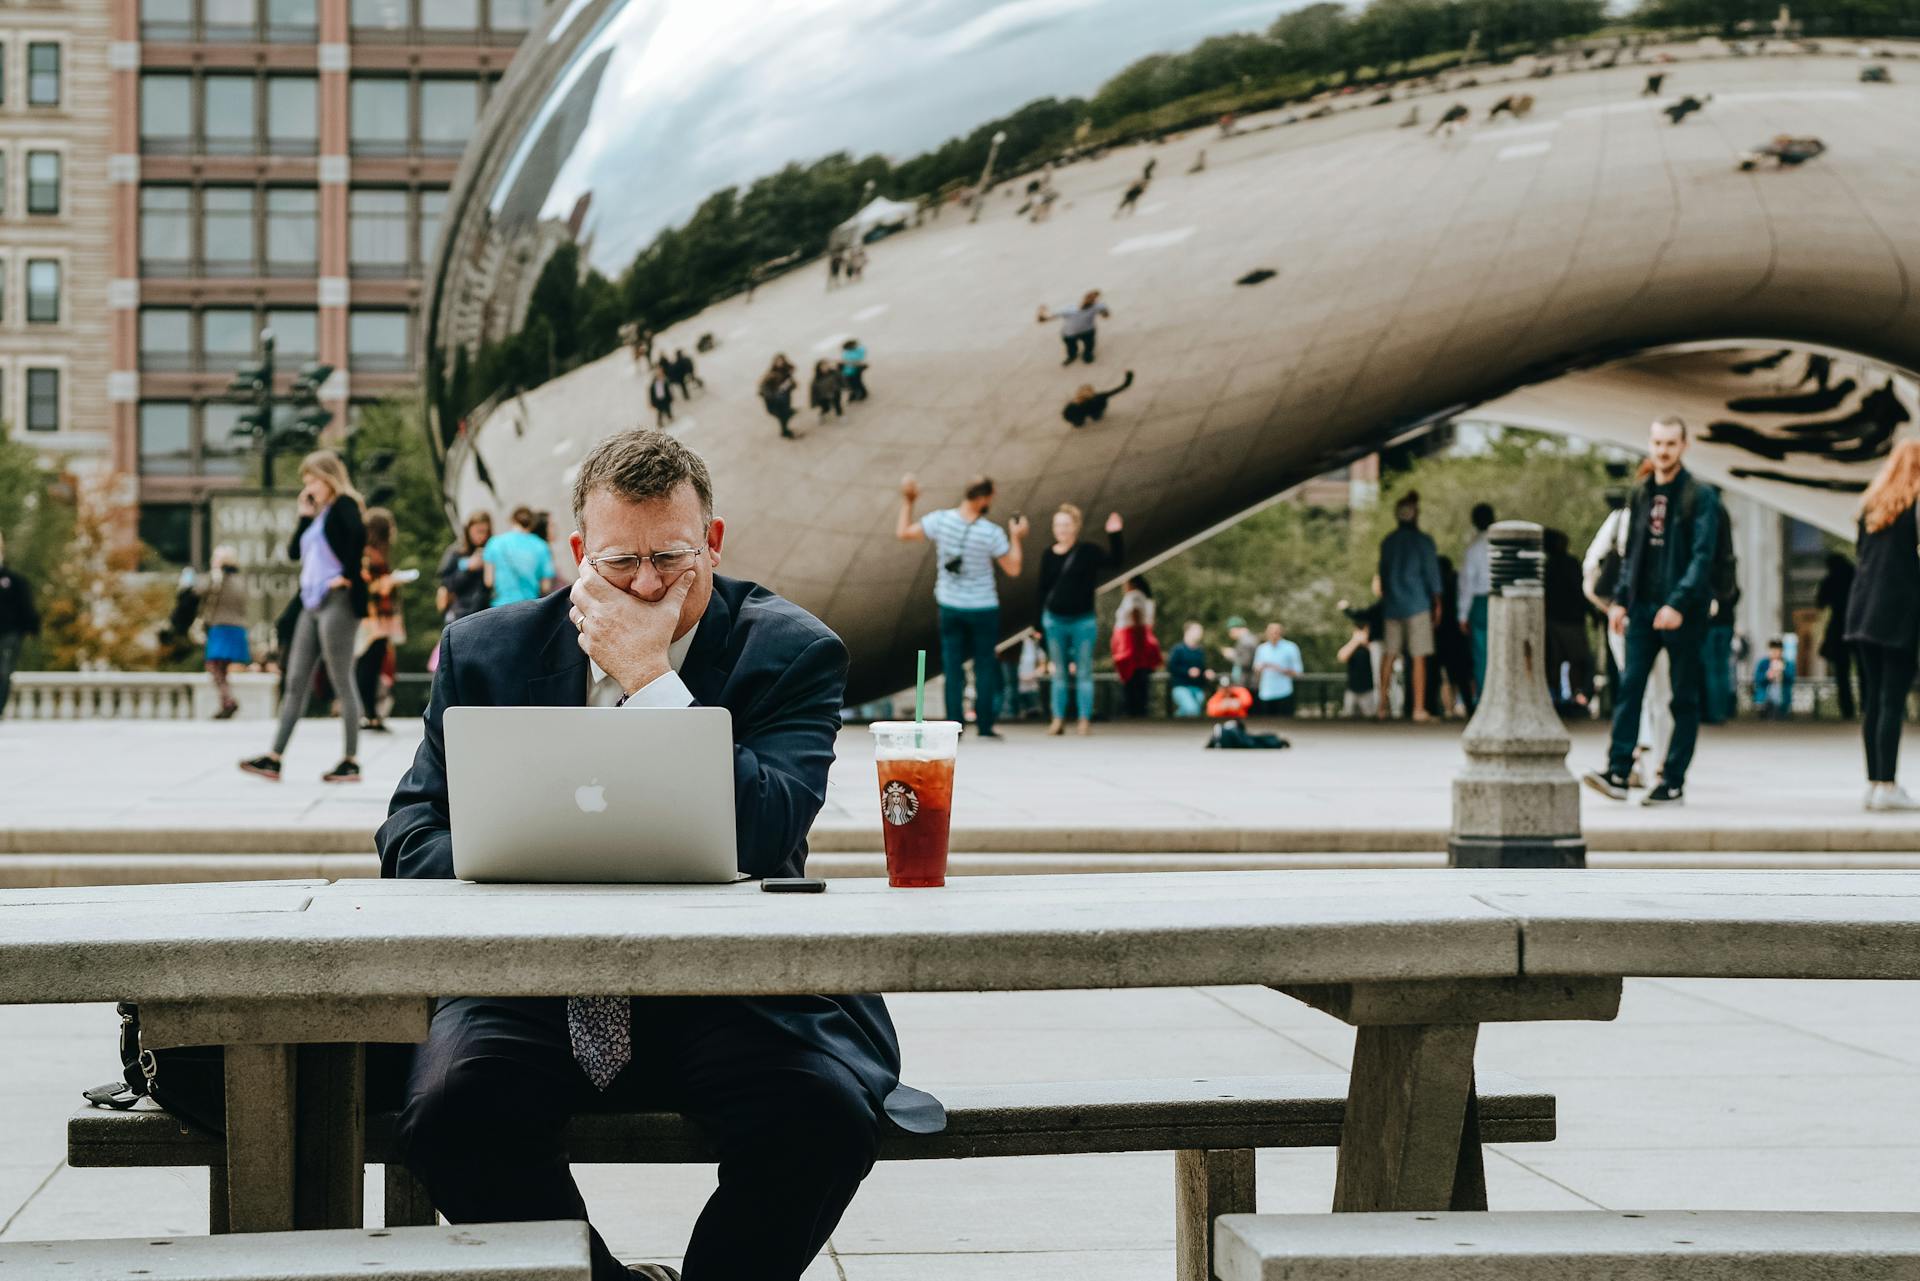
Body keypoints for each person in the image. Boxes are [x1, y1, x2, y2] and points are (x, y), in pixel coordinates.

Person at [380, 430, 939, 1281]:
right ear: (577, 555)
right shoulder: (485, 651)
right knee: (449, 1109)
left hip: (728, 984)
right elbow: (411, 831)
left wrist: (651, 680)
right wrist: (517, 857)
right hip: (534, 984)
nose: (646, 584)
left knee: (821, 1113)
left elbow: (771, 827)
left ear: (712, 541)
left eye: (671, 558)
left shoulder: (790, 650)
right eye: (619, 563)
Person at [1584, 417, 1721, 807]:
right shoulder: (1641, 492)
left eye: (1671, 444)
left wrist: (1677, 604)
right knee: (1630, 689)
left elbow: (1701, 558)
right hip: (1642, 608)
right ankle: (1618, 770)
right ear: (1650, 444)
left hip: (1683, 611)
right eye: (1658, 443)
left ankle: (1672, 779)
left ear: (1683, 446)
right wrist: (1621, 602)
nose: (1663, 451)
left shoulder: (1699, 496)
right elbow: (1633, 555)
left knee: (1682, 698)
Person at [240, 450, 367, 784]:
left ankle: (351, 760)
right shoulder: (319, 513)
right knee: (295, 681)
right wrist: (304, 515)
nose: (309, 486)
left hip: (337, 601)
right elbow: (294, 552)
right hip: (311, 603)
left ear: (328, 479)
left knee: (342, 679)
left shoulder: (345, 506)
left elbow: (357, 539)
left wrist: (349, 576)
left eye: (313, 480)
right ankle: (274, 757)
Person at [896, 475, 1027, 739]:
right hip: (983, 607)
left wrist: (908, 501)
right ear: (982, 498)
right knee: (984, 666)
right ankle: (986, 726)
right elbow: (1013, 568)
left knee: (952, 667)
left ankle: (954, 727)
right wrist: (1017, 537)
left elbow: (903, 532)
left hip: (950, 605)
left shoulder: (941, 521)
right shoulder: (991, 532)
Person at [1845, 439, 1920, 810]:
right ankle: (1888, 784)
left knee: (1873, 702)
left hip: (1861, 613)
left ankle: (1874, 783)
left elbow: (1860, 553)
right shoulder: (1915, 507)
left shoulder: (1871, 507)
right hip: (1898, 614)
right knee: (1892, 700)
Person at [1036, 505, 1124, 735]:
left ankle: (1084, 719)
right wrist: (1038, 625)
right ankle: (1058, 719)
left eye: (1066, 524)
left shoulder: (1088, 552)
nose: (1062, 529)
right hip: (1054, 620)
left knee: (1084, 671)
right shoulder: (1048, 554)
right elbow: (1042, 590)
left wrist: (1114, 534)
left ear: (1075, 526)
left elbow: (1116, 561)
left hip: (1082, 620)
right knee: (1059, 672)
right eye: (1058, 525)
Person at [1375, 491, 1442, 722]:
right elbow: (1432, 575)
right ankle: (1418, 708)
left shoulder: (1388, 542)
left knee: (1389, 654)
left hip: (1392, 604)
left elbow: (1382, 575)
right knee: (1418, 657)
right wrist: (1437, 601)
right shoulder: (1423, 542)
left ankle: (1381, 706)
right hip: (1417, 604)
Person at [356, 508, 405, 734]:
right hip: (372, 617)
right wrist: (387, 583)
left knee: (375, 664)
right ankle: (368, 713)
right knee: (368, 664)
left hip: (382, 617)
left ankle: (372, 713)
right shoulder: (367, 554)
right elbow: (365, 586)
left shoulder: (380, 554)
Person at [195, 544, 250, 719]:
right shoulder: (240, 580)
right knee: (222, 668)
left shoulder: (217, 579)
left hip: (220, 627)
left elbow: (199, 591)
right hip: (237, 627)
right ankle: (225, 702)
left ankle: (228, 700)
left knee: (213, 665)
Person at [1543, 528, 1594, 713]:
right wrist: (1591, 612)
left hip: (1557, 620)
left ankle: (1565, 696)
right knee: (1578, 660)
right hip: (1569, 621)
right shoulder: (1567, 564)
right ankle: (1575, 695)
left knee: (1558, 661)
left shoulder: (1548, 567)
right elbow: (1579, 591)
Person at [1458, 502, 1495, 707]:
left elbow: (1467, 583)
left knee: (1482, 653)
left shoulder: (1474, 549)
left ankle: (1484, 697)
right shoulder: (1500, 544)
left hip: (1480, 602)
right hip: (1501, 600)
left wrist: (1462, 614)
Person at [484, 506, 557, 607]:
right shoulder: (541, 545)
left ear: (512, 520)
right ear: (532, 523)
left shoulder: (494, 542)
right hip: (530, 606)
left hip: (501, 607)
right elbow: (545, 586)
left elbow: (489, 581)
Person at [1111, 575, 1161, 717]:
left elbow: (1136, 615)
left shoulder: (1134, 596)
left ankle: (1132, 710)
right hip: (1136, 640)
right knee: (1139, 678)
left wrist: (1137, 641)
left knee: (1133, 678)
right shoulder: (1146, 598)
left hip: (1131, 641)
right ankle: (1137, 709)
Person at [0, 530, 38, 717]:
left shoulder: (14, 581)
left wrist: (31, 629)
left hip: (9, 634)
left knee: (3, 672)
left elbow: (26, 607)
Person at [1816, 552, 1856, 719]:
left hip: (1839, 627)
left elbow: (1820, 602)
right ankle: (1868, 705)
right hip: (1857, 624)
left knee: (1842, 672)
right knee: (1864, 670)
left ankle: (1847, 708)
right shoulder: (1855, 577)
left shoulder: (1831, 581)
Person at [437, 510, 494, 626]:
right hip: (461, 614)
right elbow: (446, 584)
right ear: (468, 530)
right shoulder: (456, 552)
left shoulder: (492, 550)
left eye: (486, 532)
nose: (482, 536)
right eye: (479, 531)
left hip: (486, 611)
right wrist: (468, 568)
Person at [1038, 291, 1109, 366]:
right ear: (1084, 299)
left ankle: (1085, 356)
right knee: (1073, 347)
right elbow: (1042, 319)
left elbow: (1106, 315)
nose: (1090, 301)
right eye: (1090, 299)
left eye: (1093, 300)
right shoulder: (1069, 309)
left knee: (1088, 345)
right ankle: (1074, 356)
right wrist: (1041, 311)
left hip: (1084, 332)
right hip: (1072, 334)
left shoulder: (1097, 306)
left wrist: (1104, 311)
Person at [1251, 621, 1303, 718]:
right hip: (1265, 694)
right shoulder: (1261, 649)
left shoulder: (1291, 647)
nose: (1273, 635)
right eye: (1271, 632)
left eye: (1276, 632)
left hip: (1284, 693)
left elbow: (1298, 672)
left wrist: (1280, 669)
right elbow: (1256, 669)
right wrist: (1260, 668)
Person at [1336, 607, 1378, 719]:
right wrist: (1355, 641)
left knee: (1371, 717)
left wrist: (1366, 643)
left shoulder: (1372, 647)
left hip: (1369, 690)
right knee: (1348, 717)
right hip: (1352, 689)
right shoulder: (1352, 647)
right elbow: (1341, 657)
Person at [1167, 623, 1213, 718]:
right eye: (1197, 631)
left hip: (1197, 688)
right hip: (1181, 687)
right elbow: (1171, 667)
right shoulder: (1178, 650)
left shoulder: (1200, 651)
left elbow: (1202, 669)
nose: (1200, 634)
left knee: (1191, 712)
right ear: (1187, 632)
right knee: (1191, 709)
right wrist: (1187, 671)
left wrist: (1206, 673)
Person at [1062, 372, 1135, 427]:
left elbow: (1066, 415)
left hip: (1093, 410)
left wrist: (1128, 380)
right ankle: (1093, 417)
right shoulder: (1098, 397)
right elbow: (1119, 389)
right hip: (1093, 410)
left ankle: (1091, 418)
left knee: (1092, 417)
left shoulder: (1074, 405)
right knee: (1094, 417)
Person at [1753, 638, 1795, 719]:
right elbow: (1757, 679)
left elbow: (1791, 679)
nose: (1775, 653)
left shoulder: (1788, 663)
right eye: (1773, 651)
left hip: (1782, 699)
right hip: (1765, 699)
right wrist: (1767, 675)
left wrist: (1782, 671)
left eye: (1777, 651)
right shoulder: (1763, 663)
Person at [760, 356, 799, 439]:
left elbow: (791, 381)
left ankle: (788, 416)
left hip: (785, 399)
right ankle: (785, 431)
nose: (780, 363)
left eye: (782, 361)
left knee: (786, 413)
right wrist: (776, 394)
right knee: (784, 417)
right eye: (778, 362)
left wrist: (790, 384)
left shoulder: (786, 372)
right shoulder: (771, 375)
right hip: (776, 403)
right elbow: (763, 390)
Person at [1221, 617, 1257, 688]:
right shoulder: (1246, 640)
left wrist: (1231, 655)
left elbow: (1246, 662)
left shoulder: (1246, 641)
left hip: (1247, 683)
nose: (1230, 634)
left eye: (1230, 631)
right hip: (1246, 682)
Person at [648, 363, 674, 427]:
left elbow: (668, 390)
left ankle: (669, 416)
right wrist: (652, 402)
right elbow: (651, 394)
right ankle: (659, 422)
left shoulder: (664, 380)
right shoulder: (653, 384)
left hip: (665, 399)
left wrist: (671, 397)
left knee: (668, 408)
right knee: (660, 412)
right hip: (658, 400)